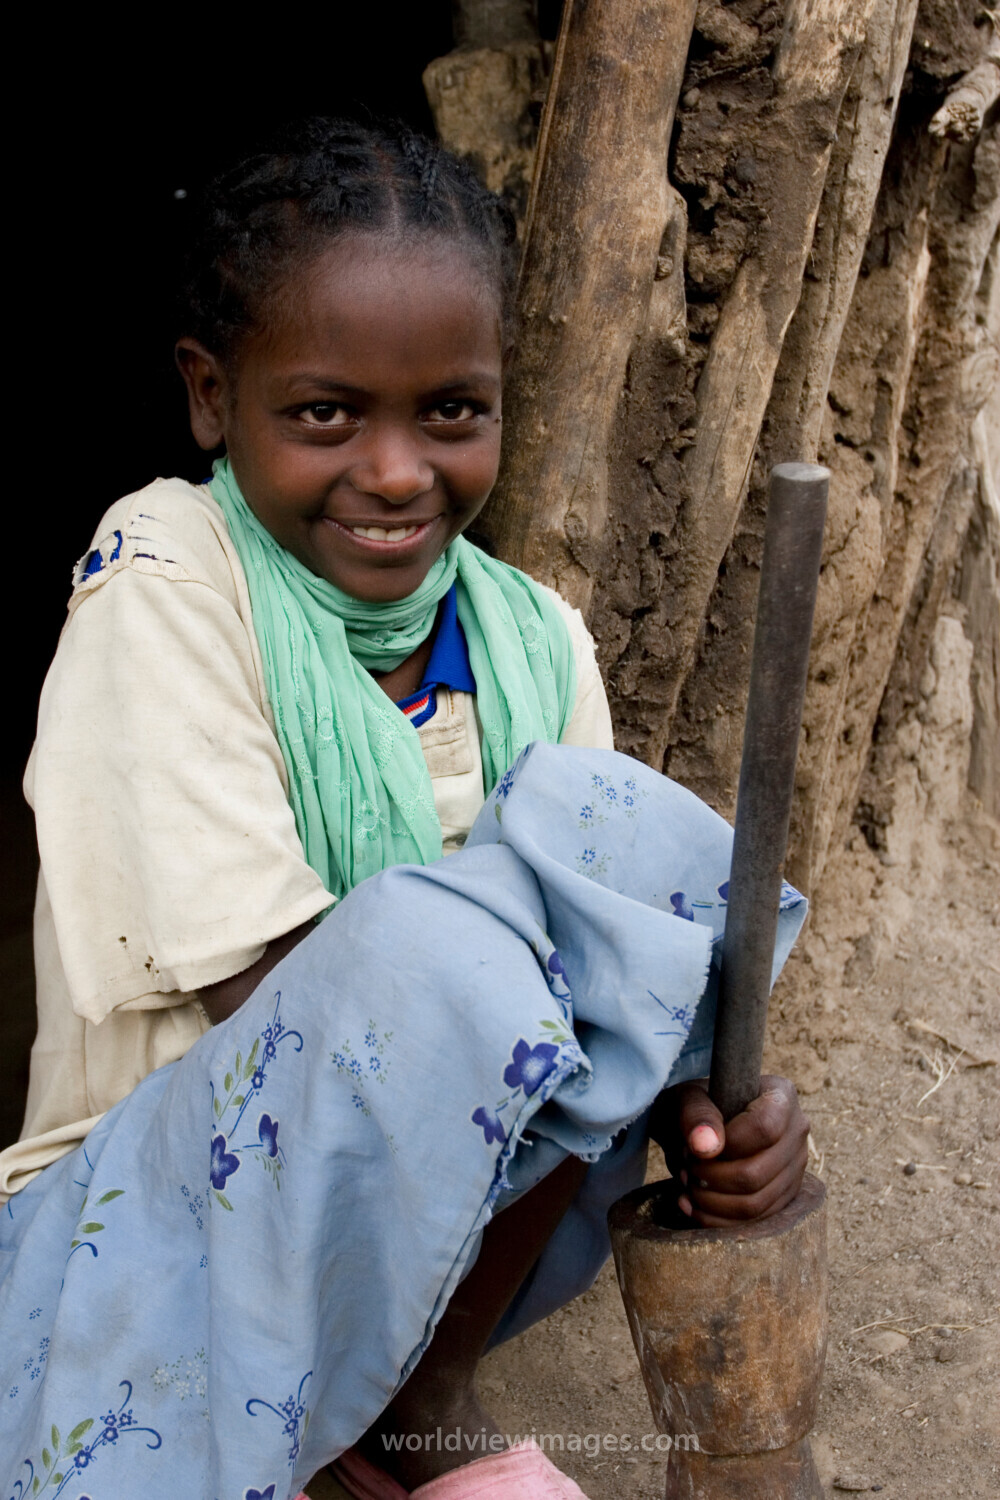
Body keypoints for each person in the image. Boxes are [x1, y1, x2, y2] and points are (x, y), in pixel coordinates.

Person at [0, 119, 809, 1500]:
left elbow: (616, 978)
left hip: (423, 1260)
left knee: (632, 858)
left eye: (449, 411)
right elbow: (297, 1000)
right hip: (139, 1251)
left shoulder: (532, 637)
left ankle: (410, 1401)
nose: (393, 471)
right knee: (462, 951)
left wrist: (711, 1116)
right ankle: (353, 1420)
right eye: (325, 413)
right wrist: (561, 1005)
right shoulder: (164, 582)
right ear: (212, 398)